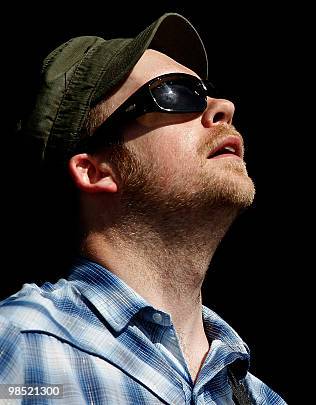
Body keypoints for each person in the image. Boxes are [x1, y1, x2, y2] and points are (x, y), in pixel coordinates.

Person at [0, 13, 286, 404]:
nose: (224, 107)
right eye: (175, 93)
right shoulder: (19, 345)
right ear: (96, 170)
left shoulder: (259, 397)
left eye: (208, 91)